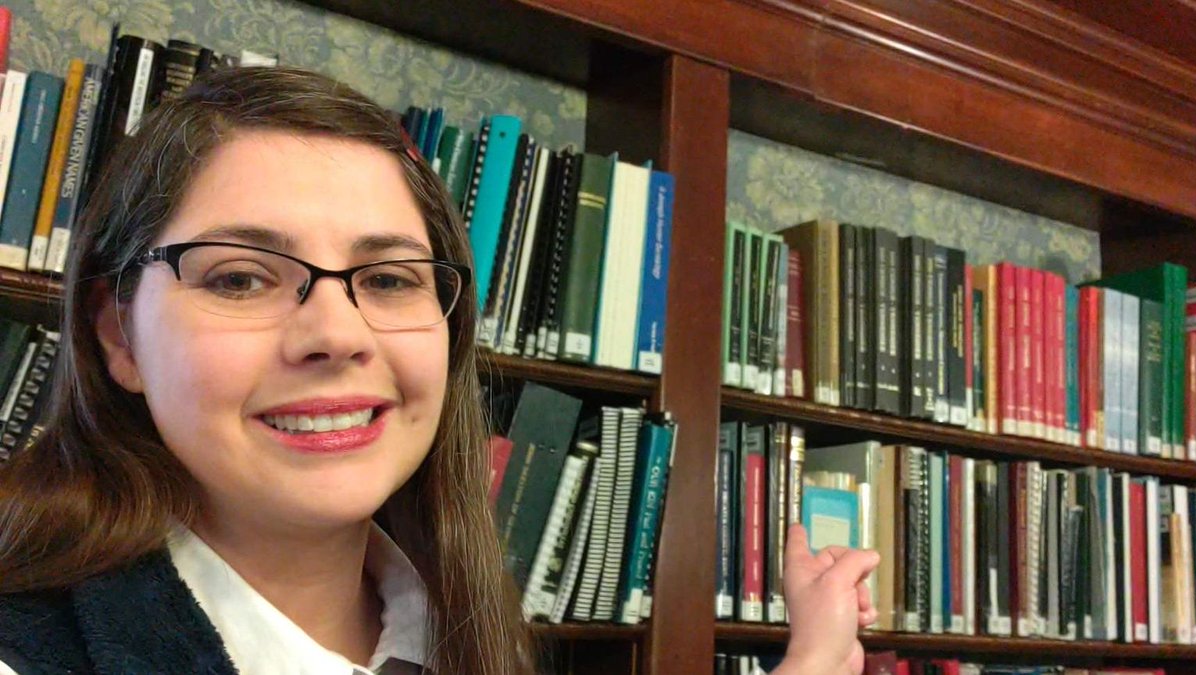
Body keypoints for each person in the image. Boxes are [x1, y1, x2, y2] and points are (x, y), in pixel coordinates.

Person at [0, 66, 876, 674]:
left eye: (387, 279)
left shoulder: (458, 627)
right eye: (240, 277)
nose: (336, 334)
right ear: (118, 335)